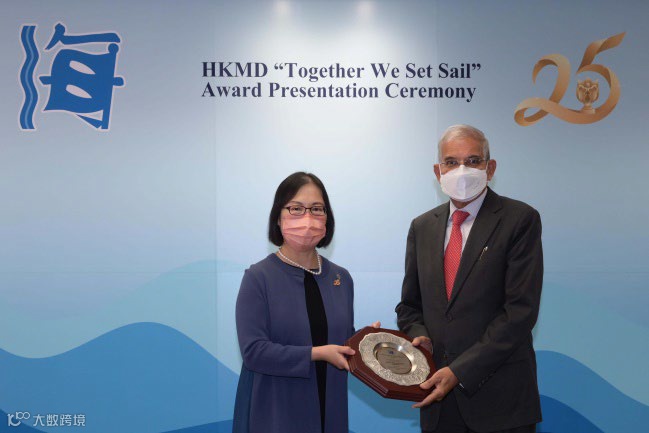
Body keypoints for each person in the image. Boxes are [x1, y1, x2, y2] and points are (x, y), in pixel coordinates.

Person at [395, 125, 543, 433]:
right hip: (437, 400)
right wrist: (420, 335)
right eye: (451, 162)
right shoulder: (422, 226)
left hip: (501, 401)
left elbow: (519, 312)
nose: (462, 170)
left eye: (473, 160)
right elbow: (409, 306)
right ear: (438, 171)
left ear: (490, 168)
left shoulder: (519, 219)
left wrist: (459, 371)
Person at [233, 172, 356, 433]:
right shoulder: (258, 277)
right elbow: (254, 352)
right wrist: (316, 353)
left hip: (330, 410)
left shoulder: (341, 278)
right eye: (296, 208)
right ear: (278, 217)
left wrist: (369, 343)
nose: (307, 218)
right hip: (277, 414)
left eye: (317, 209)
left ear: (327, 218)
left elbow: (343, 343)